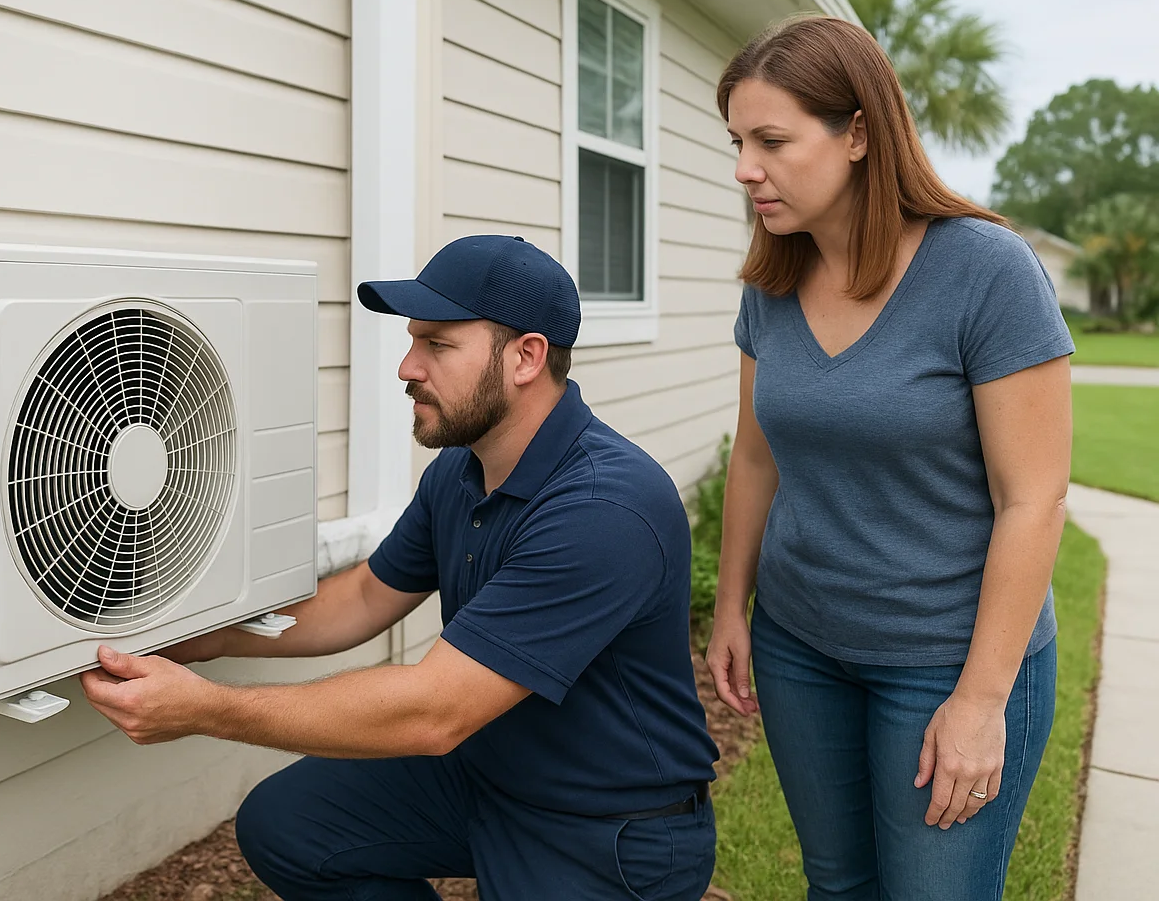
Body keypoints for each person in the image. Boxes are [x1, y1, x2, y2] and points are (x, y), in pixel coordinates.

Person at [80, 234, 719, 899]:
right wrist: (206, 640)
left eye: (438, 345)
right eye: (413, 341)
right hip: (488, 779)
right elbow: (361, 596)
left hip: (609, 830)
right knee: (288, 824)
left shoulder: (604, 507)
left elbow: (432, 713)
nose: (407, 367)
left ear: (526, 357)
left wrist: (207, 710)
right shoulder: (462, 469)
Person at [705, 16, 1072, 900]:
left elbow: (1035, 499)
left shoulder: (985, 272)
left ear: (859, 134)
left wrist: (981, 702)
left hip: (948, 657)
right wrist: (730, 608)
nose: (746, 167)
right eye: (738, 142)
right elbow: (756, 458)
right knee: (838, 886)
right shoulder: (772, 281)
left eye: (773, 141)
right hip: (802, 646)